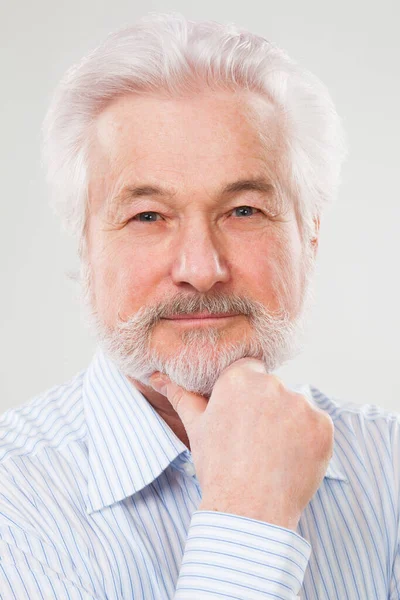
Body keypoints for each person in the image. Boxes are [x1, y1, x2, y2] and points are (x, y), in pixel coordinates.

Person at [0, 11, 399, 600]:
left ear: (310, 236)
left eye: (243, 211)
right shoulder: (13, 500)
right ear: (86, 247)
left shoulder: (390, 467)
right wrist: (249, 518)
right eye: (147, 216)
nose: (200, 269)